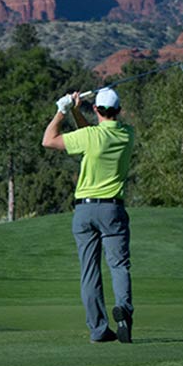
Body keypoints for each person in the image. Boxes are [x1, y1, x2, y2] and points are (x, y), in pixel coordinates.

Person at [42, 87, 135, 344]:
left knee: (90, 271)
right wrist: (75, 110)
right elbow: (91, 132)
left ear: (96, 110)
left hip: (84, 210)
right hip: (112, 209)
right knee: (118, 266)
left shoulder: (90, 137)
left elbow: (49, 140)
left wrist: (62, 111)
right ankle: (124, 311)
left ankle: (98, 329)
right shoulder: (128, 134)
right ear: (119, 111)